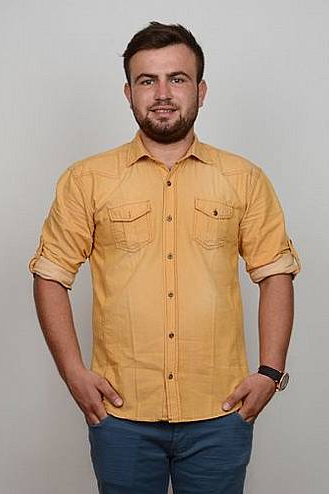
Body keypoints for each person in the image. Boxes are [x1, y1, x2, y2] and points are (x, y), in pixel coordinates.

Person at [28, 21, 301, 494]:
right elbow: (51, 273)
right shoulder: (87, 180)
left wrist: (269, 372)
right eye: (146, 80)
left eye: (177, 79)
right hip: (121, 414)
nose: (162, 94)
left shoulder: (244, 179)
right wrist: (73, 374)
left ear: (200, 90)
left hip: (220, 412)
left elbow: (275, 272)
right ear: (128, 93)